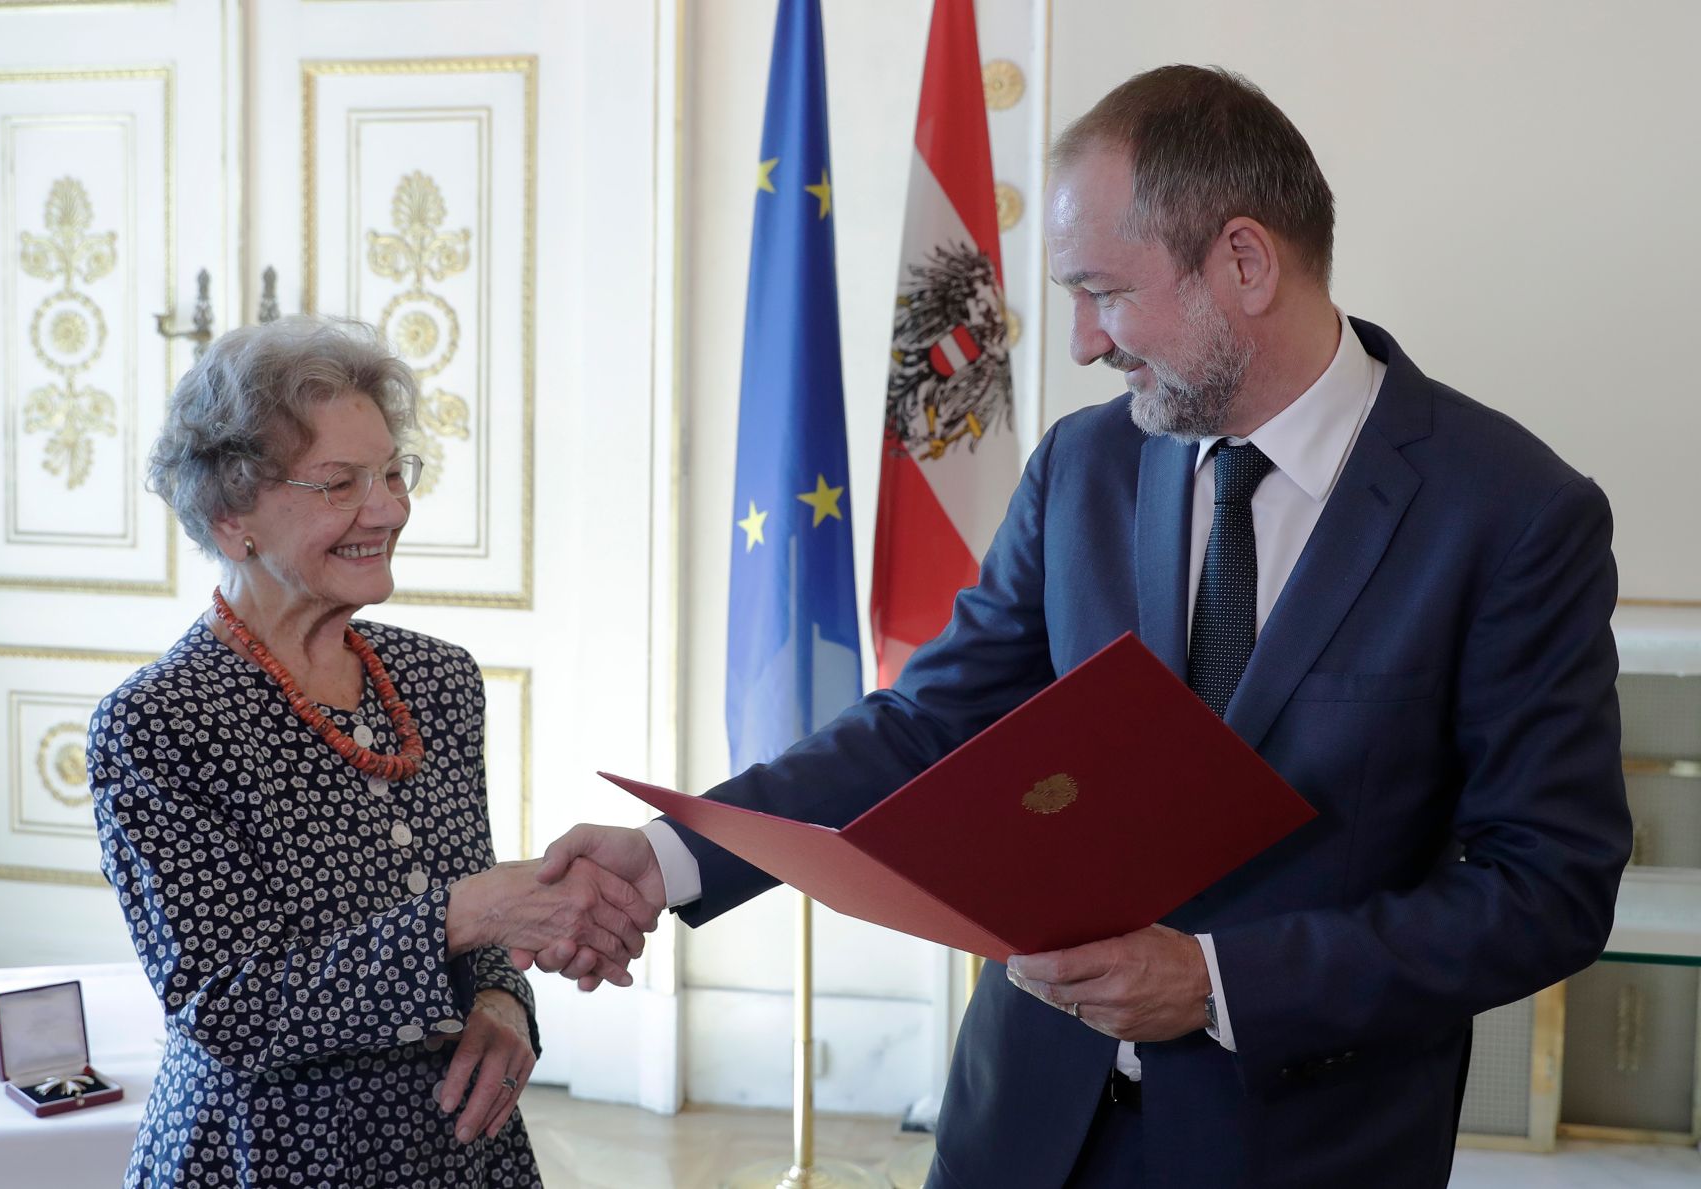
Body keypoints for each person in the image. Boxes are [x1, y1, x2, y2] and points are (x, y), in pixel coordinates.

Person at [530, 66, 1632, 1187]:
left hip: (1301, 1149)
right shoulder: (1082, 465)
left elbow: (1547, 886)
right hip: (1020, 1128)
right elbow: (929, 725)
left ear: (1244, 263)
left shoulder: (1511, 514)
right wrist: (671, 857)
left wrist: (1216, 982)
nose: (1081, 345)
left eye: (1101, 291)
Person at [89, 316, 657, 1188]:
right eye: (339, 483)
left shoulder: (437, 678)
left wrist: (503, 999)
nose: (389, 508)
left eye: (392, 473)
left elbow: (482, 927)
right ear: (231, 515)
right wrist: (469, 912)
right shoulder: (160, 723)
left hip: (458, 1151)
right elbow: (230, 1009)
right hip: (269, 1157)